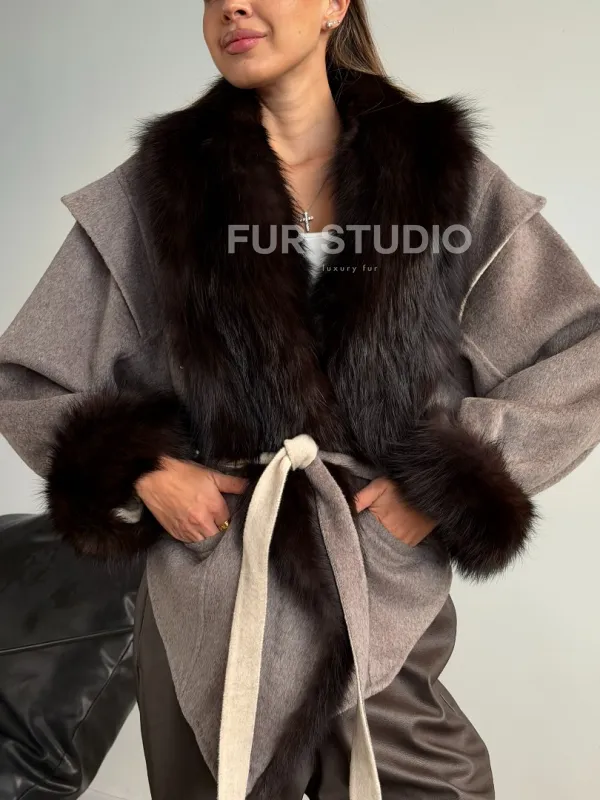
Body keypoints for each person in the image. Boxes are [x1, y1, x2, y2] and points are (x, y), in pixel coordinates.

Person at [1, 1, 600, 798]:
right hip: (213, 596)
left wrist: (444, 480)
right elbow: (29, 377)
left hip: (374, 595)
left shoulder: (435, 174)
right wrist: (145, 470)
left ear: (333, 6)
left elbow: (584, 351)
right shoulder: (161, 189)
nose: (233, 7)